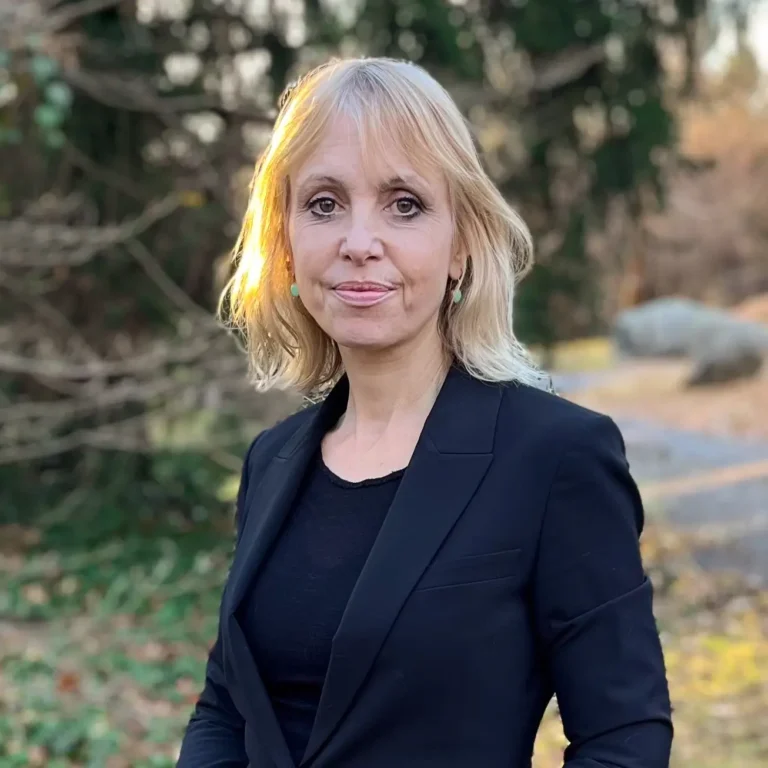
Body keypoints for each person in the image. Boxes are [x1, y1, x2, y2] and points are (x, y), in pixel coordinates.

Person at [177, 57, 672, 768]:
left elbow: (623, 738)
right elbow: (227, 703)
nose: (359, 241)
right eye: (324, 204)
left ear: (462, 243)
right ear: (285, 242)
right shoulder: (272, 460)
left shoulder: (556, 456)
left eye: (404, 203)